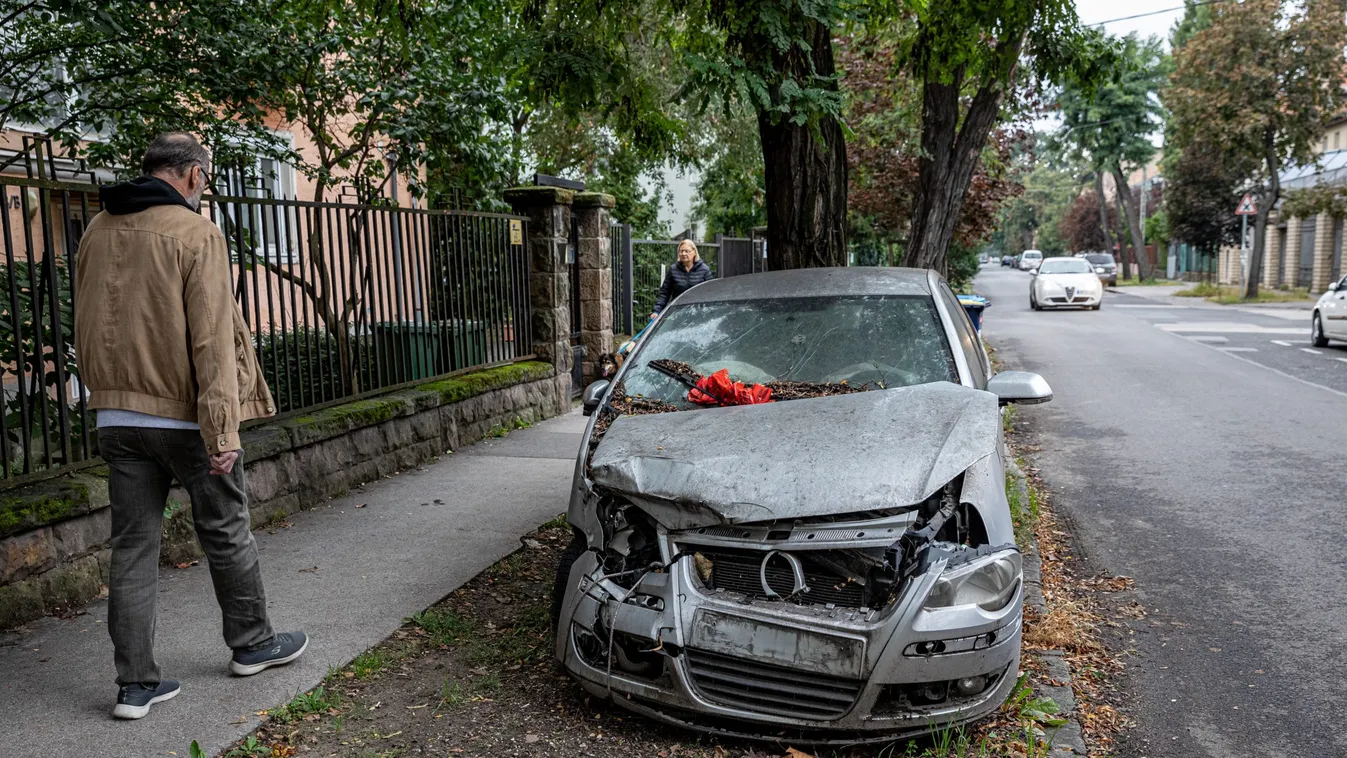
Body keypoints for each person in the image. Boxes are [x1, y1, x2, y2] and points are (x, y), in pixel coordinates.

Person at [73, 132, 307, 720]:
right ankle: (252, 645)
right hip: (183, 417)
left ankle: (135, 686)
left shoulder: (97, 230)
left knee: (131, 547)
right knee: (226, 529)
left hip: (116, 414)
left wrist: (102, 397)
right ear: (194, 174)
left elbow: (81, 317)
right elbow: (211, 340)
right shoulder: (195, 233)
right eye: (206, 177)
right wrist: (222, 430)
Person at [651, 239, 713, 319]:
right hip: (678, 312)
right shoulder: (673, 269)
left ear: (694, 252)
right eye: (681, 251)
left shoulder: (704, 270)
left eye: (687, 251)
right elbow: (665, 293)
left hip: (698, 313)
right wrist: (657, 311)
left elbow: (711, 293)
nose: (683, 254)